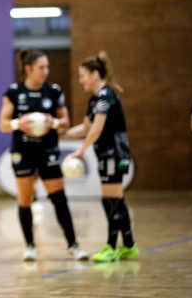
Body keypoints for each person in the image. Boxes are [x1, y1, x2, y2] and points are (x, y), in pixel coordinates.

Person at [0, 50, 89, 261]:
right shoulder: (13, 92)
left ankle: (73, 246)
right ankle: (30, 246)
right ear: (28, 68)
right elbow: (2, 124)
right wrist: (18, 124)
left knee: (59, 198)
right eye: (41, 67)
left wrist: (53, 123)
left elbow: (65, 122)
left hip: (47, 150)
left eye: (47, 67)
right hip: (23, 151)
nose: (45, 71)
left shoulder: (53, 91)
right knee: (25, 199)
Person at [64, 51, 139, 263]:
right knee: (116, 199)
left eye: (83, 76)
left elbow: (96, 130)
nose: (80, 81)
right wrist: (60, 133)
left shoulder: (106, 97)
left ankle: (111, 247)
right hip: (107, 154)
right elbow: (86, 127)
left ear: (95, 74)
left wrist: (80, 151)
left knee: (110, 200)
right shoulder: (95, 99)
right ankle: (130, 245)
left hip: (114, 154)